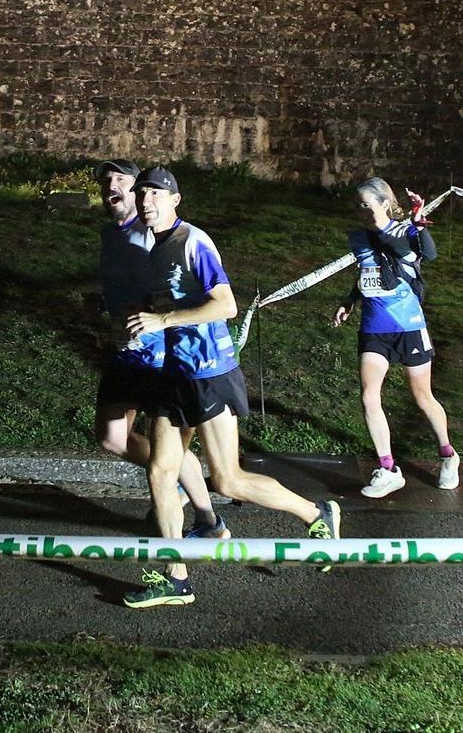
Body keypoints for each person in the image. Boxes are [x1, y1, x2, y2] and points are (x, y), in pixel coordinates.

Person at [121, 167, 341, 609]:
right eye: (141, 193)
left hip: (209, 373)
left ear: (175, 200)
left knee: (227, 479)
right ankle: (176, 578)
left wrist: (162, 320)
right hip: (174, 372)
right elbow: (167, 299)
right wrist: (143, 319)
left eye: (156, 194)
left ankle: (316, 513)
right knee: (160, 471)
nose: (146, 201)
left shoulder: (192, 242)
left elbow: (226, 305)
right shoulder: (152, 246)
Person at [90, 158, 224, 540]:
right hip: (124, 348)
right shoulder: (110, 233)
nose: (111, 186)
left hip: (157, 353)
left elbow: (179, 287)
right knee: (111, 437)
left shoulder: (154, 233)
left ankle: (206, 517)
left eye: (121, 180)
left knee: (166, 453)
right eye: (106, 180)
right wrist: (103, 306)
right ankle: (178, 481)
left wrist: (160, 319)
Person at [332, 177, 458, 498]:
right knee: (368, 395)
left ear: (384, 203)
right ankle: (388, 469)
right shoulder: (357, 237)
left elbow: (426, 254)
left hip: (409, 326)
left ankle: (447, 454)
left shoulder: (404, 231)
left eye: (367, 204)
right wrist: (350, 301)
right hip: (374, 328)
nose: (361, 210)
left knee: (422, 397)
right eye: (357, 205)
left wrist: (416, 222)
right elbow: (367, 271)